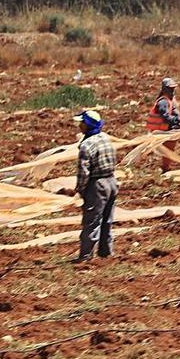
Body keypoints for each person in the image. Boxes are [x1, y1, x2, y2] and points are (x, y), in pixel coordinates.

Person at [70, 110, 118, 263]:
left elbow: (83, 172)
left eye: (81, 123)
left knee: (92, 221)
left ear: (87, 125)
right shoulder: (105, 138)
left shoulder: (86, 145)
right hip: (112, 181)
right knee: (107, 219)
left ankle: (86, 256)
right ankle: (106, 252)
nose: (79, 125)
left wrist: (81, 189)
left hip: (97, 184)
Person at [146, 77, 180, 172]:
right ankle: (165, 168)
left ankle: (166, 167)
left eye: (173, 89)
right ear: (165, 89)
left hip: (168, 129)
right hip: (163, 130)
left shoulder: (169, 100)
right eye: (170, 89)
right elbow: (165, 117)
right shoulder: (163, 102)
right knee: (167, 150)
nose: (172, 91)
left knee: (169, 150)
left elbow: (173, 112)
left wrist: (179, 121)